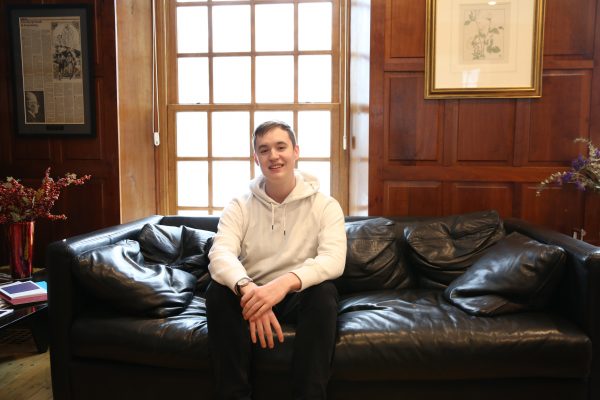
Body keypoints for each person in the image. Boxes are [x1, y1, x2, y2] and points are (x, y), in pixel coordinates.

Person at [207, 120, 347, 400]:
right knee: (217, 293)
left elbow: (333, 260)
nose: (274, 156)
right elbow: (219, 253)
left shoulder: (325, 205)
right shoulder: (239, 205)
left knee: (324, 293)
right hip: (252, 291)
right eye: (264, 149)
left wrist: (282, 285)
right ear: (255, 158)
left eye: (281, 147)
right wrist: (250, 291)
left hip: (298, 295)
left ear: (296, 151)